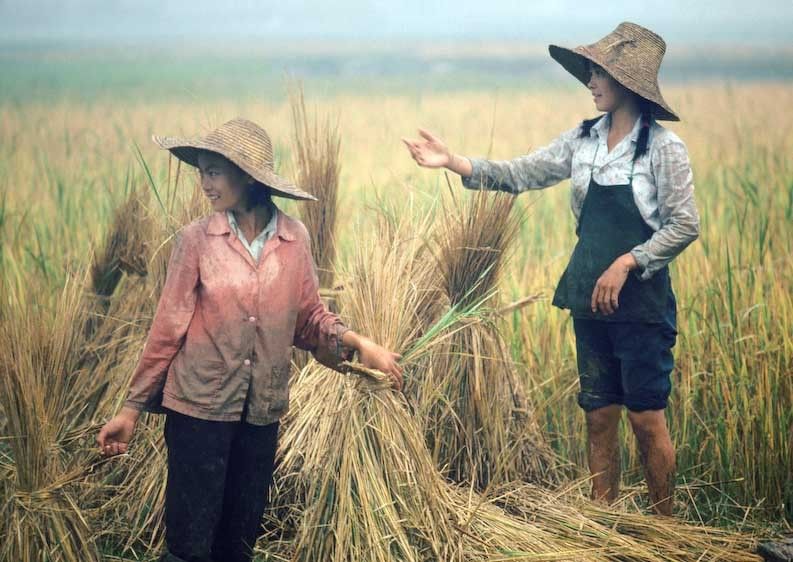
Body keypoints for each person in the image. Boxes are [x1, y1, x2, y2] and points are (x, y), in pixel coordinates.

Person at [403, 22, 699, 516]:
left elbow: (685, 224)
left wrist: (629, 261)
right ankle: (601, 523)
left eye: (598, 73)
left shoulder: (664, 149)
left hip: (641, 303)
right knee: (599, 414)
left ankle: (666, 529)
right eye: (590, 72)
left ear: (627, 83)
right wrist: (453, 161)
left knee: (646, 419)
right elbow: (522, 172)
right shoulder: (582, 140)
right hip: (588, 295)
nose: (590, 82)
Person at [97, 117, 403, 562]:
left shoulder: (293, 239)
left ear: (247, 176)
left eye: (214, 172)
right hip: (198, 413)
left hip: (261, 414)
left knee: (238, 544)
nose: (204, 183)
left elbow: (309, 320)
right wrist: (131, 409)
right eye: (201, 172)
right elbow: (167, 329)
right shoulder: (197, 241)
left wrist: (359, 345)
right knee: (188, 546)